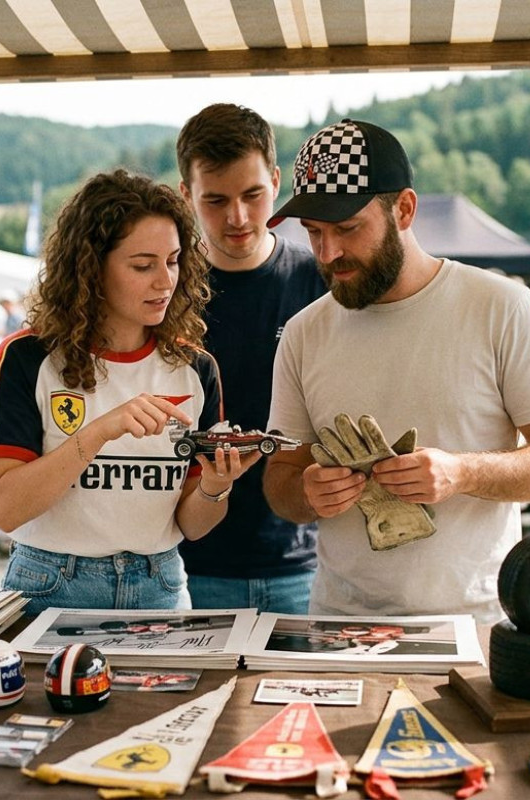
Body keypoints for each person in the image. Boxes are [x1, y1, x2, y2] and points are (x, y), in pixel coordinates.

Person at [261, 120, 530, 620]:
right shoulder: (304, 332)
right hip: (339, 622)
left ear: (404, 209)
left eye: (347, 228)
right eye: (314, 233)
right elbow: (280, 478)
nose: (328, 254)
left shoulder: (500, 306)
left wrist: (461, 472)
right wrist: (305, 492)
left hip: (475, 619)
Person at [0, 169, 255, 615]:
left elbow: (193, 525)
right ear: (90, 267)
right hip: (50, 584)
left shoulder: (196, 368)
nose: (165, 281)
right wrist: (98, 432)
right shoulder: (26, 358)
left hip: (160, 582)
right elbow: (6, 509)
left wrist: (217, 488)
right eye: (143, 266)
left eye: (173, 260)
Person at [174, 103, 328, 614]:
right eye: (215, 201)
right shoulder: (164, 292)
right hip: (187, 563)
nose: (237, 217)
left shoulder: (320, 282)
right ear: (185, 196)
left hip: (302, 560)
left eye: (253, 195)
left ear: (278, 182)